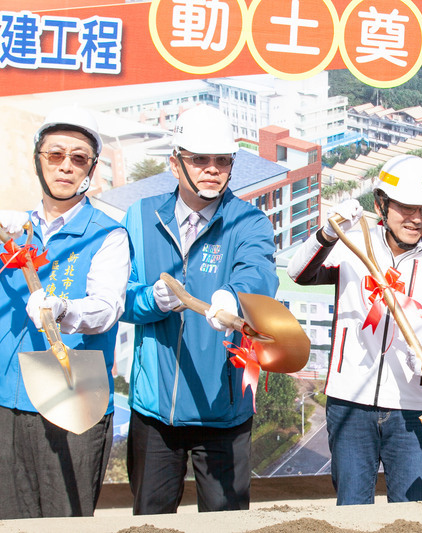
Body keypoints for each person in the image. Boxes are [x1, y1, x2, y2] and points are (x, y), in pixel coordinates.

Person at [122, 105, 278, 514]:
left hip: (222, 410)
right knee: (150, 523)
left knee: (226, 523)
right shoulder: (140, 216)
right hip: (155, 411)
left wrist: (232, 297)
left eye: (222, 160)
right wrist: (149, 301)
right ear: (175, 163)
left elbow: (260, 276)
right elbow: (118, 299)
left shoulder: (249, 222)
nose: (212, 169)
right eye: (199, 159)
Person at [288, 154, 422, 506]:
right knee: (353, 509)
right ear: (381, 204)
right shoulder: (352, 246)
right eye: (406, 208)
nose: (417, 219)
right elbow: (298, 273)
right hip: (349, 403)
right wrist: (327, 232)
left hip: (412, 409)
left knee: (410, 510)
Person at [0, 106, 130, 518]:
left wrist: (61, 309)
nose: (66, 167)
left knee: (64, 519)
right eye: (55, 155)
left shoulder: (108, 233)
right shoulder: (13, 231)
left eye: (79, 158)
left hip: (73, 399)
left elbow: (107, 308)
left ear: (91, 169)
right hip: (7, 398)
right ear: (39, 160)